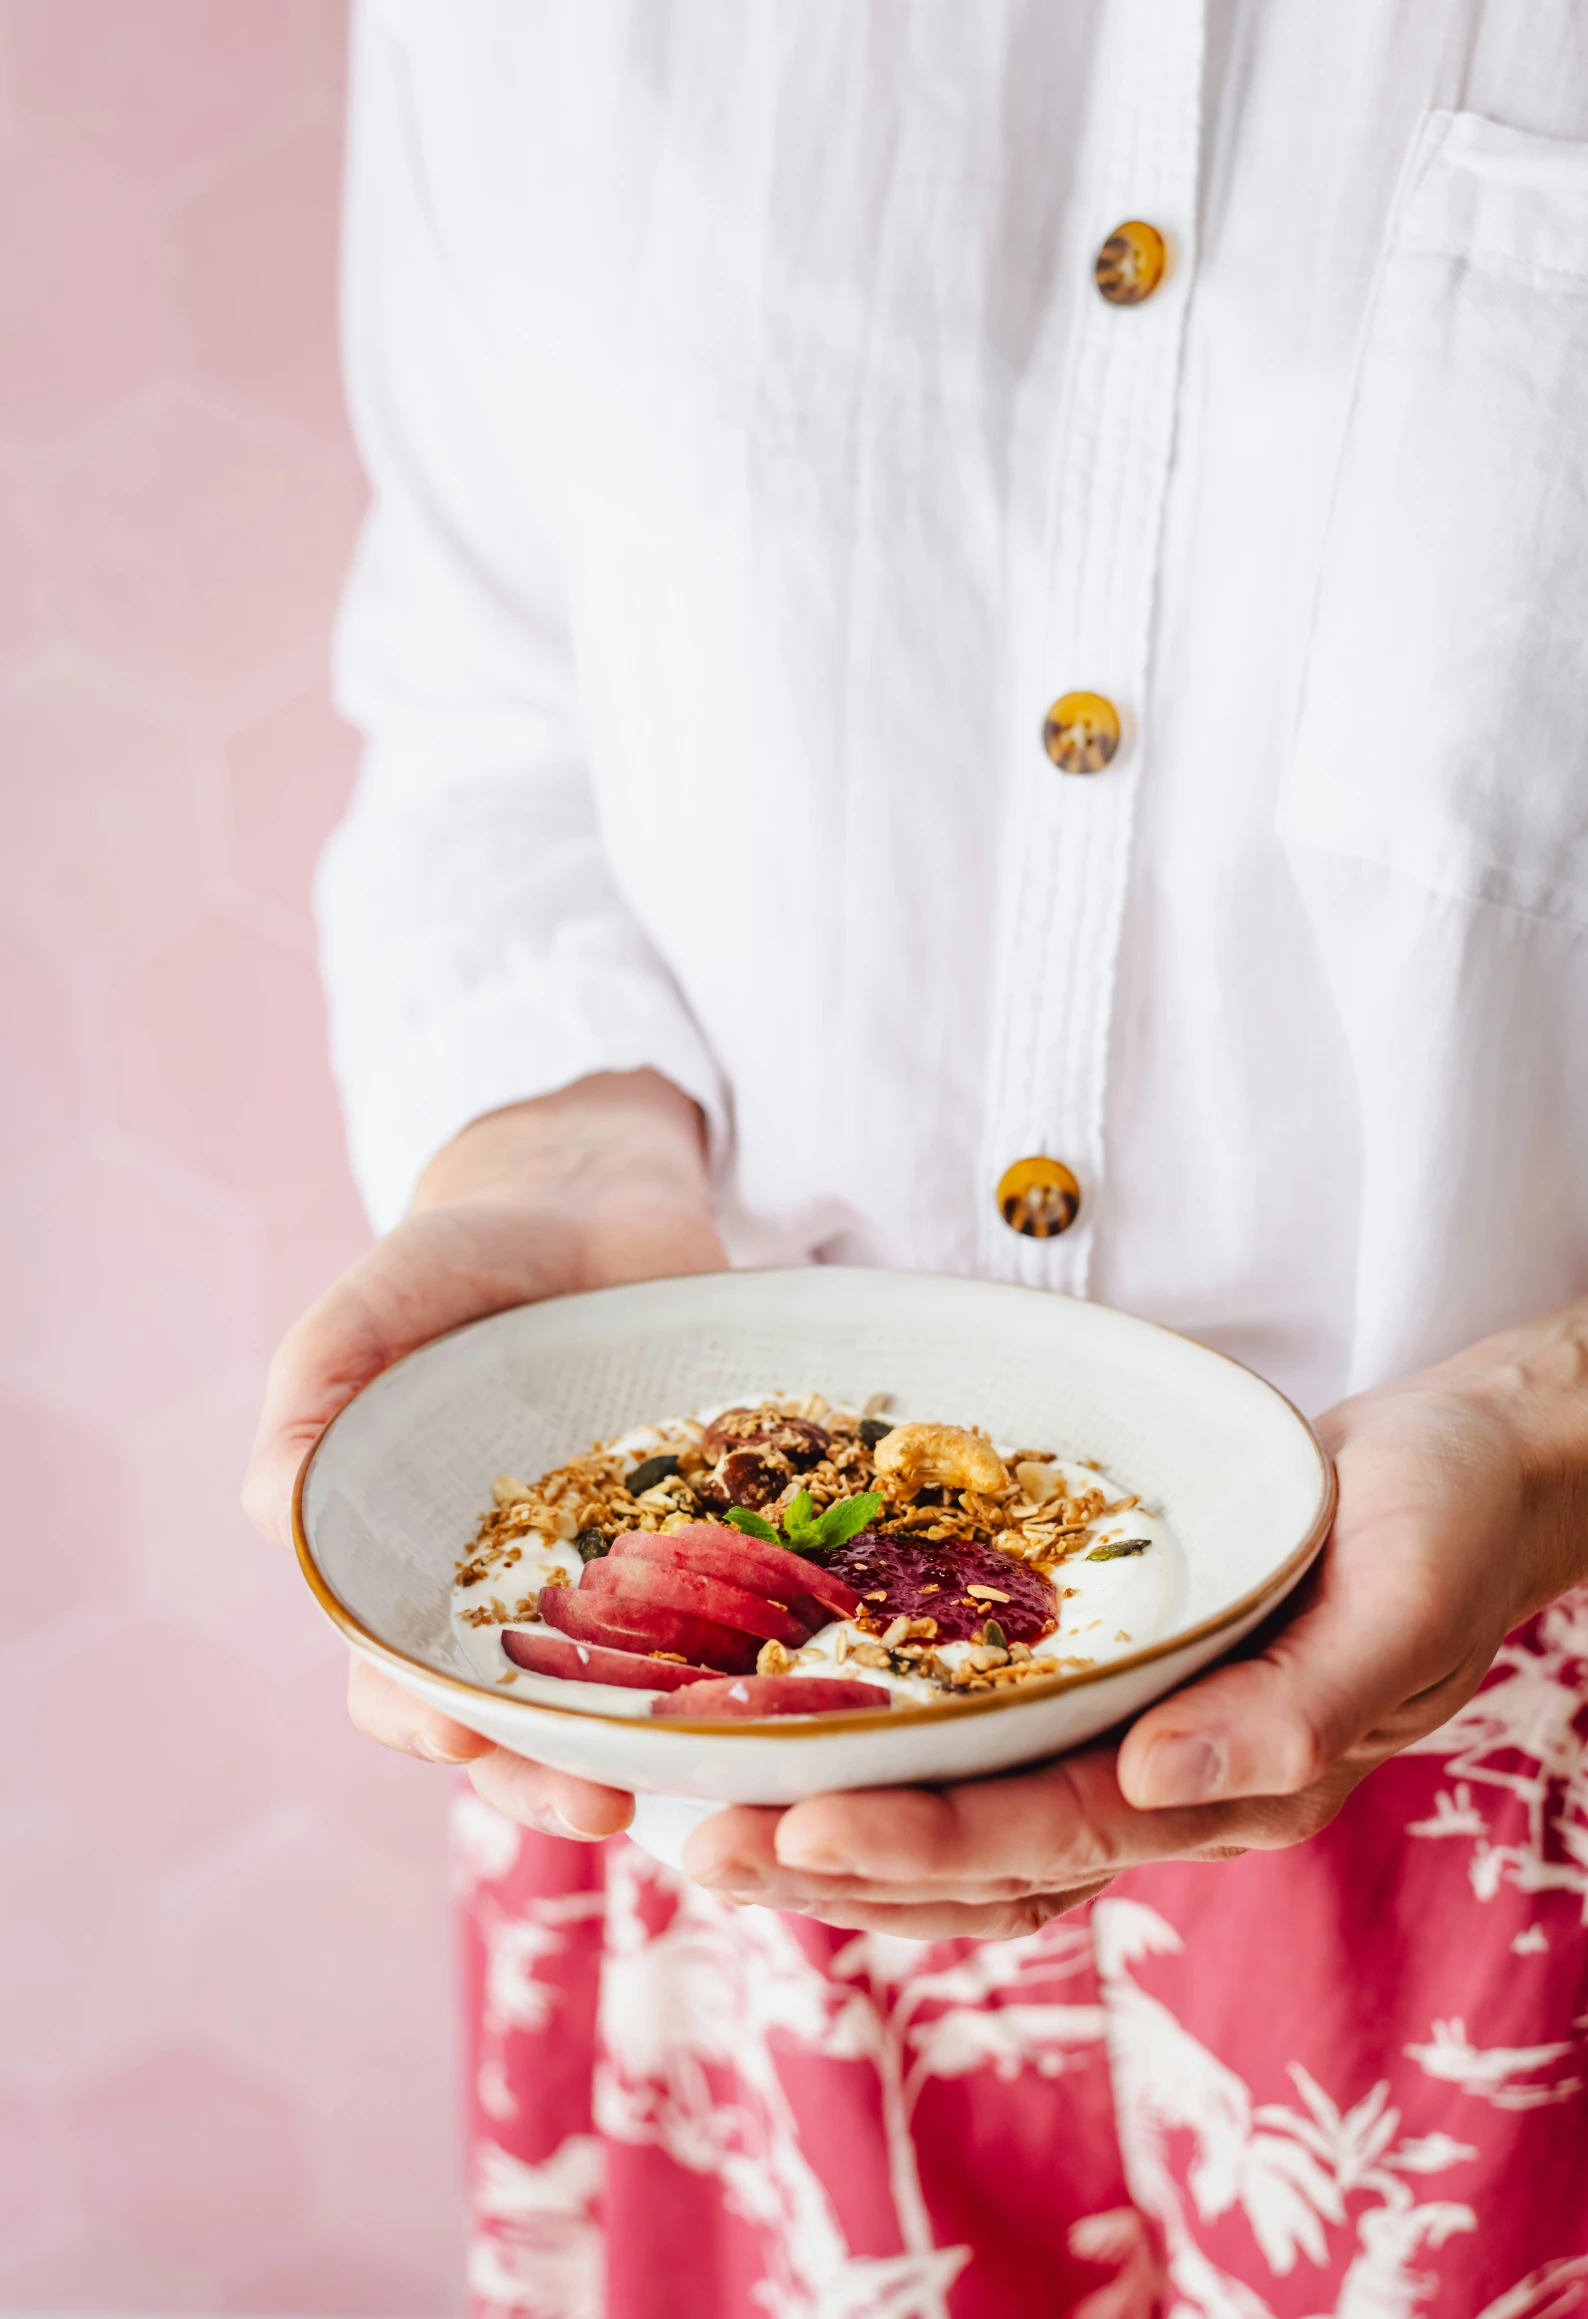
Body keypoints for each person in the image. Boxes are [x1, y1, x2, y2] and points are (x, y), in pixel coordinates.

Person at [245, 5, 1588, 2312]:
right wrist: (547, 1137)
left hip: (1524, 1781)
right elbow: (489, 680)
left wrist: (1553, 1414)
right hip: (717, 1773)